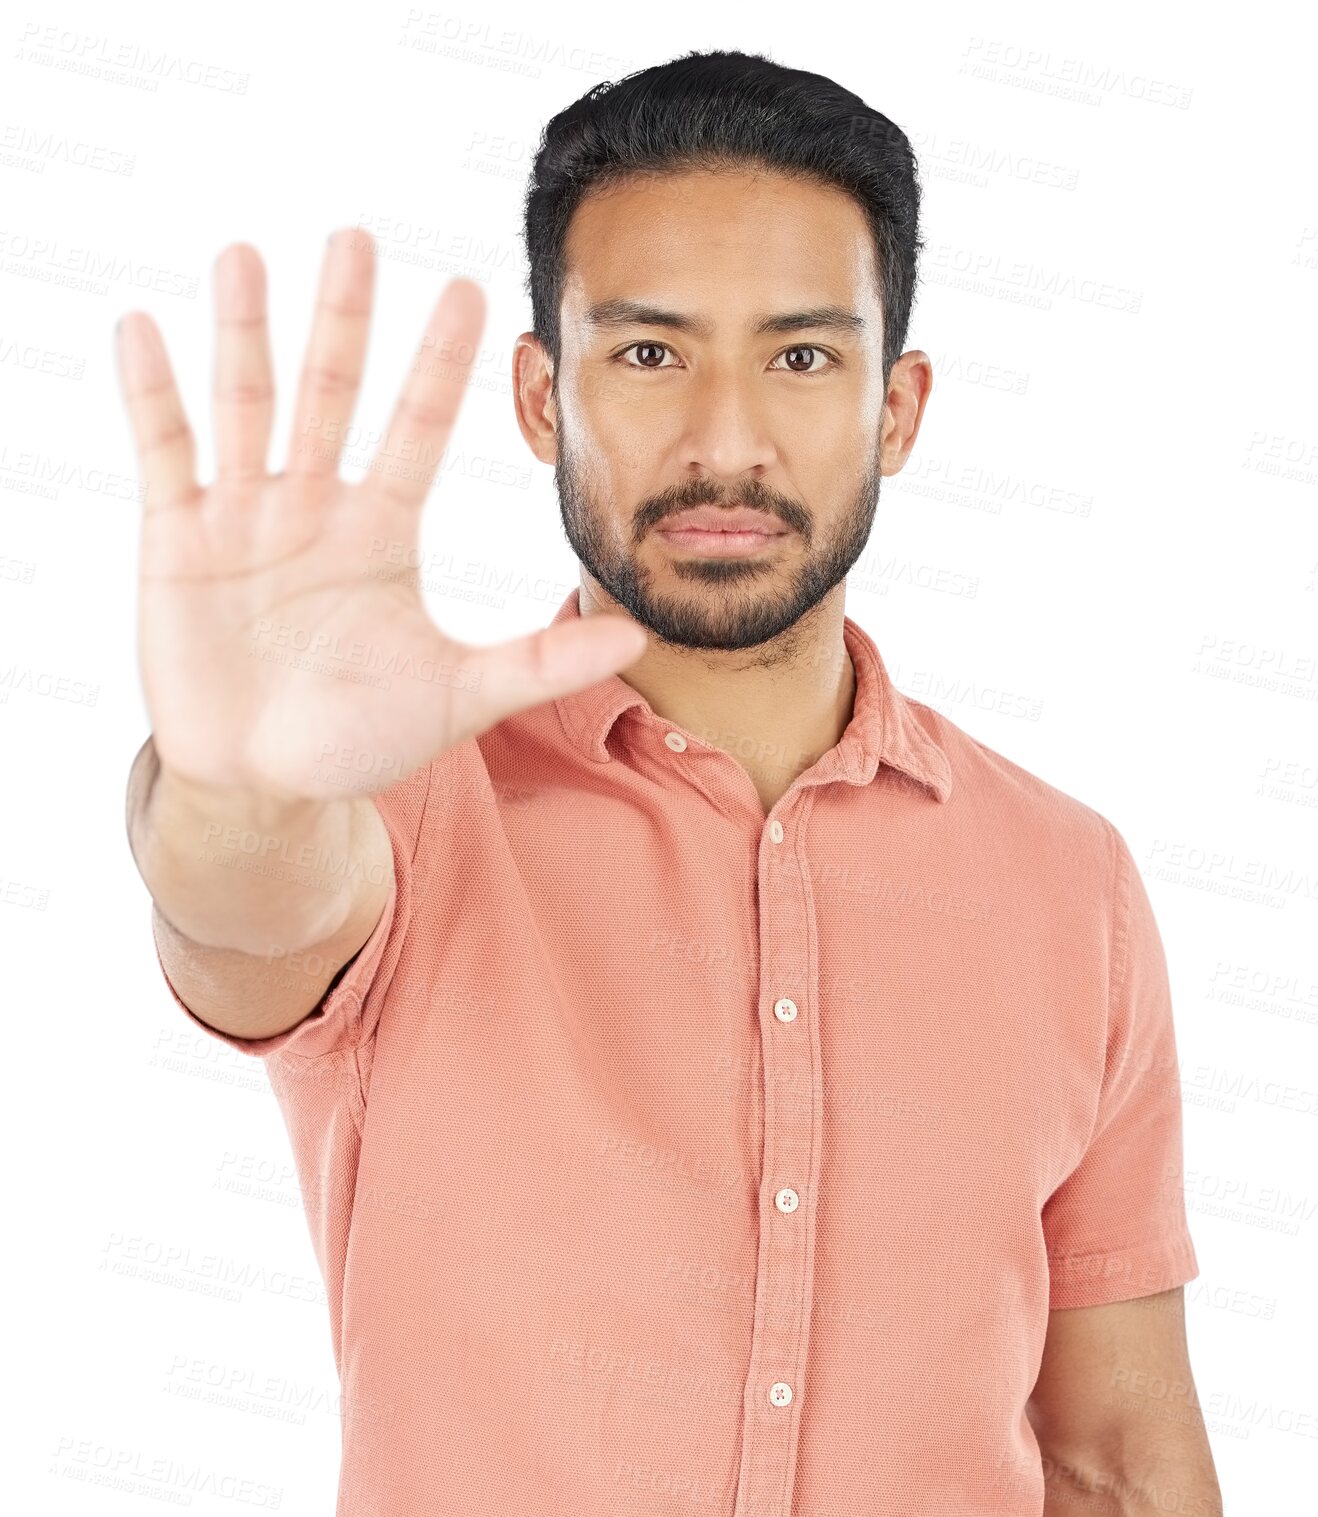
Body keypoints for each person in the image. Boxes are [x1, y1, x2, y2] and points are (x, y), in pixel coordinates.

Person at [120, 47, 1222, 1517]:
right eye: (647, 353)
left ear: (897, 409)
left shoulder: (1067, 879)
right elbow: (244, 907)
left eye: (800, 355)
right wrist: (235, 780)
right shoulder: (403, 807)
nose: (725, 440)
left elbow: (1117, 1459)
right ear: (538, 394)